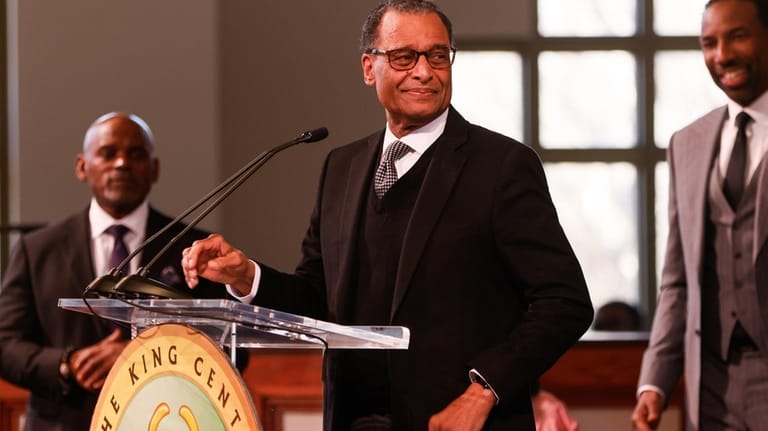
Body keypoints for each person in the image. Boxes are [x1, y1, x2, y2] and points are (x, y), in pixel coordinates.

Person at [182, 1, 593, 430]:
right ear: (368, 67)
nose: (424, 71)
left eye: (438, 55)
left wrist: (483, 390)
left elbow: (565, 302)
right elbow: (319, 299)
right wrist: (245, 276)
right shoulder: (341, 168)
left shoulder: (500, 165)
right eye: (404, 57)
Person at [0, 112, 227, 430]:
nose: (122, 164)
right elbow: (5, 343)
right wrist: (68, 364)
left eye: (136, 154)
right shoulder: (36, 250)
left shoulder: (191, 248)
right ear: (82, 166)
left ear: (154, 169)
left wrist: (140, 355)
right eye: (108, 154)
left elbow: (229, 347)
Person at [632, 0, 768, 429]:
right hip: (711, 387)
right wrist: (654, 382)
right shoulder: (686, 144)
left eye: (738, 36)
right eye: (709, 42)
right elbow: (677, 282)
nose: (722, 55)